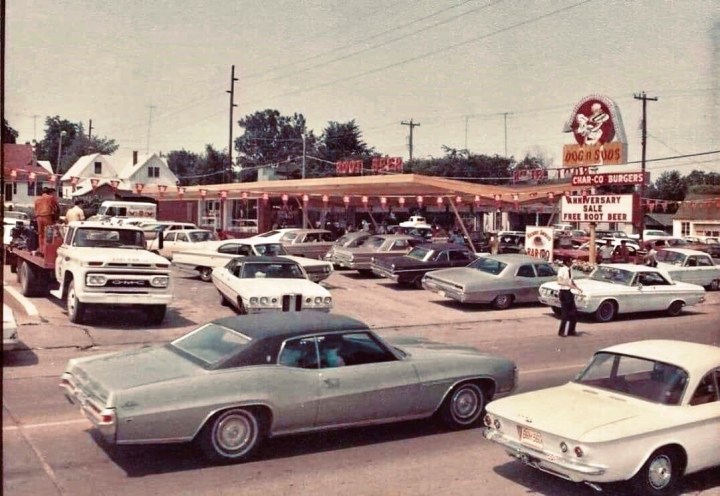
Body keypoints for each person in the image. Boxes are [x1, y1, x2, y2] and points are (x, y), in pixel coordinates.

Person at [557, 259, 582, 337]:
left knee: (574, 312)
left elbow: (571, 280)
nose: (572, 263)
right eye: (570, 261)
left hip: (569, 292)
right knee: (565, 313)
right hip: (564, 292)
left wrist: (577, 288)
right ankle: (561, 331)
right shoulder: (562, 270)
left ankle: (571, 330)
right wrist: (568, 285)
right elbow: (559, 281)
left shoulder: (570, 270)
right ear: (567, 262)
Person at [33, 187, 60, 255]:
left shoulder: (37, 199)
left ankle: (41, 250)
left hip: (38, 217)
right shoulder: (50, 197)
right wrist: (56, 218)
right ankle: (45, 251)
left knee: (40, 234)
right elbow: (57, 208)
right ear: (49, 192)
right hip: (47, 216)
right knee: (47, 234)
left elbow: (35, 209)